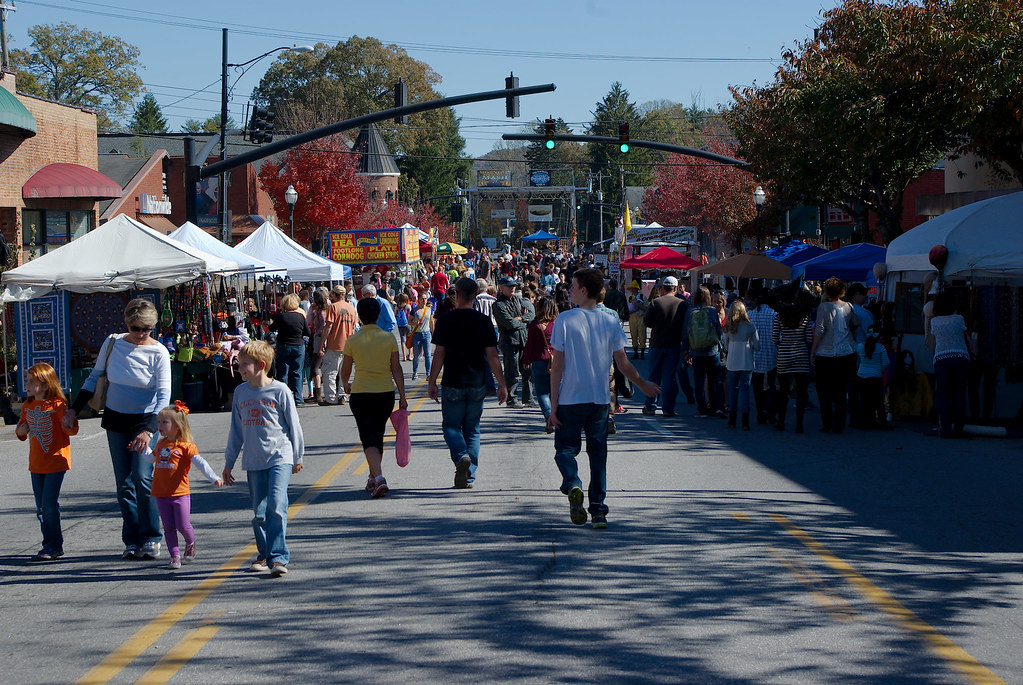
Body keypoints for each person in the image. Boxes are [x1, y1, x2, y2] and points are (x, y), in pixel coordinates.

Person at [549, 268, 658, 528]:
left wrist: (553, 406)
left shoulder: (565, 319)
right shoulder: (610, 321)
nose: (569, 290)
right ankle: (598, 511)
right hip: (599, 401)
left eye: (573, 286)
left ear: (584, 290)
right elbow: (623, 364)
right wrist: (643, 384)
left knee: (565, 450)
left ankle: (573, 484)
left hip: (570, 399)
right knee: (598, 456)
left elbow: (557, 366)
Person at [67, 299, 170, 560]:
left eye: (147, 329)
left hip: (144, 421)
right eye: (136, 328)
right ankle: (132, 539)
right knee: (124, 483)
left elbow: (163, 395)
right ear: (127, 323)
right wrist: (73, 409)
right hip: (116, 419)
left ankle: (151, 536)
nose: (141, 334)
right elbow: (94, 377)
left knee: (142, 477)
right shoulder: (113, 342)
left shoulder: (158, 352)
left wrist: (149, 430)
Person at [223, 341, 304, 577]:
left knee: (276, 505)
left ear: (260, 365)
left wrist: (297, 455)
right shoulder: (241, 393)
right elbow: (236, 430)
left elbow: (294, 425)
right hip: (254, 459)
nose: (239, 369)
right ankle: (265, 553)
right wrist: (229, 462)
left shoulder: (280, 390)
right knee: (259, 513)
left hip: (280, 456)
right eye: (239, 364)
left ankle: (278, 557)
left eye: (244, 365)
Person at [428, 277, 508, 488]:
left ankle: (461, 455)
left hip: (452, 381)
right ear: (475, 296)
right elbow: (492, 356)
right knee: (472, 429)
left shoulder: (445, 320)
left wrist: (432, 382)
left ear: (457, 295)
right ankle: (469, 474)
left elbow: (439, 354)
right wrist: (501, 384)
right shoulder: (483, 321)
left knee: (451, 426)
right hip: (477, 382)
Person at [340, 297, 408, 497]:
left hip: (361, 393)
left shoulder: (353, 340)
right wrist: (402, 396)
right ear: (378, 315)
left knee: (367, 436)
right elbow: (396, 369)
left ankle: (378, 478)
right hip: (385, 393)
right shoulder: (388, 338)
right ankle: (373, 477)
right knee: (377, 434)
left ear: (359, 317)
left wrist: (345, 384)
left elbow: (345, 370)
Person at [143, 402, 222, 570]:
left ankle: (190, 542)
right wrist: (142, 450)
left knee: (183, 525)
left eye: (164, 422)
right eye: (159, 422)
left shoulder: (186, 447)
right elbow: (151, 458)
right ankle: (174, 556)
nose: (160, 426)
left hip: (180, 494)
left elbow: (201, 463)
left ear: (177, 426)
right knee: (168, 527)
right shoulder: (161, 444)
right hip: (161, 494)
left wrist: (213, 478)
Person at [17, 362, 78, 561]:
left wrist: (69, 423)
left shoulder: (57, 405)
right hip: (36, 464)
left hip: (56, 462)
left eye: (32, 381)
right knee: (41, 507)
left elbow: (71, 430)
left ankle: (53, 545)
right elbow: (21, 430)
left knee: (49, 504)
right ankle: (50, 543)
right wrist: (20, 432)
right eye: (27, 381)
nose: (27, 385)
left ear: (45, 385)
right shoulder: (27, 406)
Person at [810, 277, 860, 434]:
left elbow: (820, 330)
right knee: (841, 390)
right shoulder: (849, 306)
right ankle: (839, 423)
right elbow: (856, 325)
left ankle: (827, 422)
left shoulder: (823, 307)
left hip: (826, 353)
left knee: (823, 390)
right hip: (846, 352)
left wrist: (813, 350)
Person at [641, 276, 689, 417]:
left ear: (662, 288)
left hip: (657, 344)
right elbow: (686, 326)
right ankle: (668, 408)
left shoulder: (655, 303)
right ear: (675, 288)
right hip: (674, 345)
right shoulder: (682, 304)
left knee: (654, 376)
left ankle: (651, 405)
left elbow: (647, 322)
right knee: (669, 377)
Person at [927, 293, 972, 438]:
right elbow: (964, 334)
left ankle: (945, 428)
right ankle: (958, 428)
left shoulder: (934, 322)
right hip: (960, 357)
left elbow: (934, 339)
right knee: (959, 393)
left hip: (941, 358)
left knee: (943, 394)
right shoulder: (959, 319)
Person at [682, 286, 725, 418]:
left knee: (699, 381)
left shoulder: (690, 312)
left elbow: (685, 333)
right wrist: (721, 347)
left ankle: (702, 409)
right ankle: (718, 406)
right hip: (712, 351)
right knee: (716, 379)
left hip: (696, 351)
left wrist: (686, 351)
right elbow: (718, 331)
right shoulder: (712, 311)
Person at [493, 276, 534, 409]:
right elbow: (509, 323)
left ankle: (528, 398)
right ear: (501, 287)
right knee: (512, 371)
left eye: (514, 286)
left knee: (527, 370)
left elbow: (531, 315)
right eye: (509, 286)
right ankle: (511, 399)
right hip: (510, 342)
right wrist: (523, 322)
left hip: (523, 339)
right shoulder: (498, 305)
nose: (512, 288)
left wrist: (520, 318)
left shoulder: (518, 300)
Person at [772, 304, 814, 433]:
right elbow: (809, 338)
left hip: (784, 356)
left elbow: (774, 338)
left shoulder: (780, 317)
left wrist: (784, 342)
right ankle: (799, 425)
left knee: (783, 392)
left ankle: (781, 422)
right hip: (801, 356)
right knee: (801, 393)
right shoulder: (805, 317)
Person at [722, 300, 761, 430]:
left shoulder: (728, 327)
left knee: (733, 391)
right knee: (745, 391)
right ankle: (745, 421)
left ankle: (732, 419)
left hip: (732, 362)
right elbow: (757, 346)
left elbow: (725, 345)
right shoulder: (750, 327)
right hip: (746, 362)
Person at [522, 296, 558, 431]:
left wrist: (526, 360)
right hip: (557, 361)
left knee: (542, 392)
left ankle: (548, 416)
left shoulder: (535, 325)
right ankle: (556, 416)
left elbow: (529, 344)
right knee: (556, 392)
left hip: (539, 360)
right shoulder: (558, 324)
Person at [319, 285, 358, 406]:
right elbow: (354, 326)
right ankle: (342, 395)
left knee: (330, 372)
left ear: (335, 295)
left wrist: (322, 344)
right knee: (344, 372)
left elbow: (328, 326)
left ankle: (331, 397)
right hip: (348, 344)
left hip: (335, 343)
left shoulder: (333, 307)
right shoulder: (351, 307)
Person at [269, 293, 311, 406]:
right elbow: (307, 332)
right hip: (298, 346)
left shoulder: (281, 316)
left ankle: (285, 398)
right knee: (297, 372)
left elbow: (271, 328)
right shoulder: (300, 316)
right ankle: (298, 398)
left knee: (284, 373)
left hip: (284, 345)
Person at [747, 288, 778, 425]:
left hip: (754, 354)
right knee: (772, 384)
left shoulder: (750, 314)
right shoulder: (774, 314)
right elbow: (778, 336)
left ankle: (760, 411)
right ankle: (769, 409)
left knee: (757, 386)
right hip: (771, 353)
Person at [856, 325, 891, 430]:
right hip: (876, 377)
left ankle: (864, 422)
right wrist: (880, 370)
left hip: (862, 376)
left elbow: (857, 361)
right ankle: (883, 423)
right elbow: (886, 363)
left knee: (864, 400)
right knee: (878, 401)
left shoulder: (860, 347)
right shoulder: (881, 348)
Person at [306, 289, 328, 403]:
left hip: (319, 339)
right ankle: (317, 393)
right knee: (315, 367)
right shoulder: (318, 311)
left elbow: (323, 327)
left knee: (315, 367)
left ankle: (318, 394)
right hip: (317, 338)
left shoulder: (321, 312)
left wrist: (321, 346)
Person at [409, 291, 435, 381]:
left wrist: (433, 333)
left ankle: (428, 373)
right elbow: (409, 321)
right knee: (416, 355)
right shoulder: (415, 310)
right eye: (422, 299)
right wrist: (415, 323)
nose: (424, 300)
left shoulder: (429, 310)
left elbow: (431, 322)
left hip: (427, 334)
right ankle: (415, 372)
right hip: (417, 334)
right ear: (419, 300)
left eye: (425, 298)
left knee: (428, 355)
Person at [626, 281, 648, 359]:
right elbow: (628, 309)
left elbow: (646, 308)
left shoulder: (642, 297)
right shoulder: (630, 298)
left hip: (641, 318)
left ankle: (642, 353)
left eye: (632, 289)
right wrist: (632, 310)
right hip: (632, 318)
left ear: (636, 289)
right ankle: (635, 353)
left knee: (642, 335)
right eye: (631, 289)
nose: (631, 290)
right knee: (633, 335)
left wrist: (638, 305)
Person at [395, 292, 413, 362]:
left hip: (400, 325)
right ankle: (410, 355)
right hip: (407, 324)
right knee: (409, 339)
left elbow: (395, 314)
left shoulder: (397, 306)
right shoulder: (407, 306)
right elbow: (411, 315)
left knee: (402, 340)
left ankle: (404, 356)